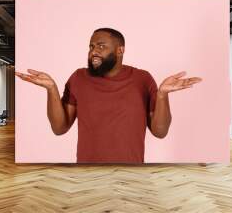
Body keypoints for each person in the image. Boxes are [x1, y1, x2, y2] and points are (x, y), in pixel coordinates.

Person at [15, 28, 202, 163]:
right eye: (91, 46)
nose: (93, 52)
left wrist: (162, 95)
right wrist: (51, 89)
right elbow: (59, 128)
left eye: (101, 46)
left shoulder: (143, 79)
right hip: (87, 172)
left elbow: (160, 132)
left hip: (132, 173)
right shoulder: (79, 77)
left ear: (120, 50)